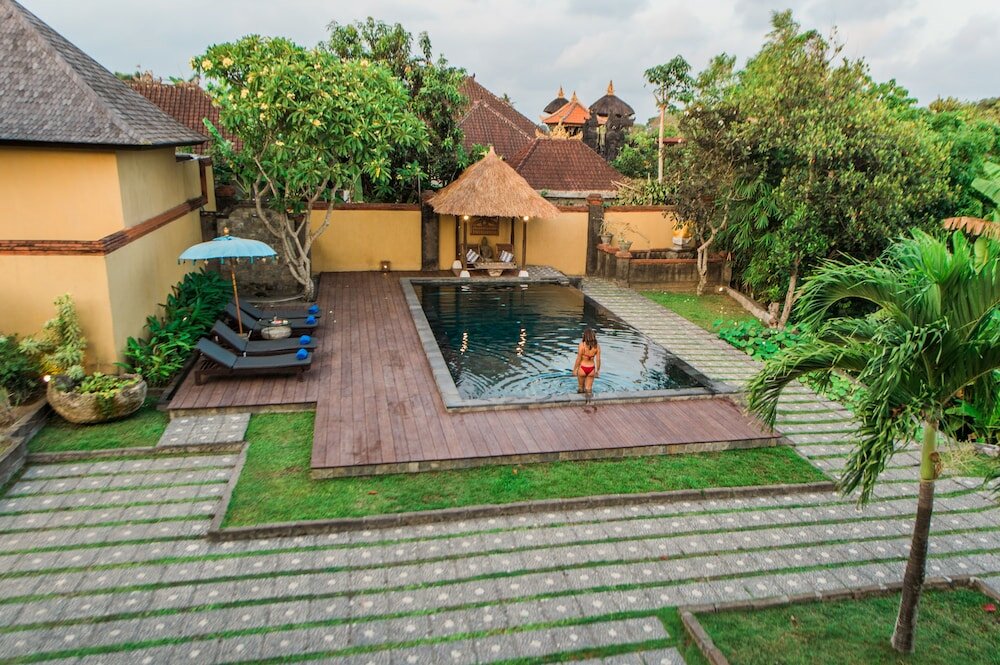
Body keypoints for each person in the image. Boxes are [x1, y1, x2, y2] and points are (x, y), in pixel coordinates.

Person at [573, 328, 601, 397]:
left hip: (582, 368)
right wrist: (597, 370)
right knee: (589, 389)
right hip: (591, 369)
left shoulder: (582, 345)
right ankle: (589, 401)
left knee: (581, 387)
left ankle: (580, 401)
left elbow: (578, 358)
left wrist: (575, 369)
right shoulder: (597, 346)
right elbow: (598, 359)